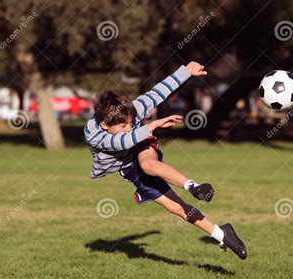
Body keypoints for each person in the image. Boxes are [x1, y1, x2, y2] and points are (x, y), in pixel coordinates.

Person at [84, 62, 247, 259]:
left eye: (130, 122)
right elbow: (121, 141)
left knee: (148, 164)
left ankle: (193, 186)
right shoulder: (93, 134)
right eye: (123, 125)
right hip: (127, 165)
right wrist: (151, 126)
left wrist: (186, 72)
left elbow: (158, 92)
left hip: (143, 146)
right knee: (175, 207)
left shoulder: (131, 109)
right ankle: (222, 234)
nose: (129, 126)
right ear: (104, 124)